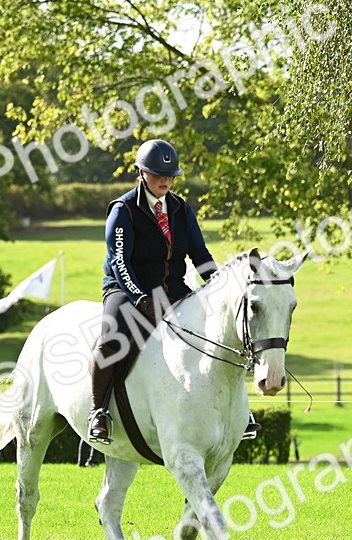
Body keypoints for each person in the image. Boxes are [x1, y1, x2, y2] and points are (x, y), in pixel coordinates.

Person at [88, 139, 260, 444]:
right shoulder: (123, 210)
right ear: (141, 173)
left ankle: (238, 412)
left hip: (173, 288)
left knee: (220, 330)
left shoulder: (181, 209)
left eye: (170, 175)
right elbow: (119, 263)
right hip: (126, 289)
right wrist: (140, 299)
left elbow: (199, 254)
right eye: (157, 174)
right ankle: (98, 411)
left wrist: (220, 287)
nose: (165, 180)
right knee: (111, 341)